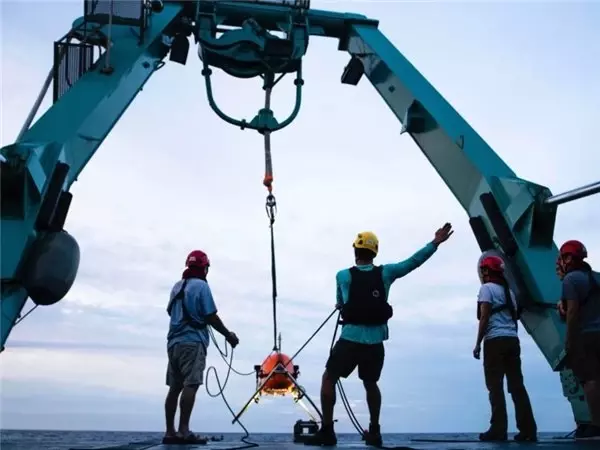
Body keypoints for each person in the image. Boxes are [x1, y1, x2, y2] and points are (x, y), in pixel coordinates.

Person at [305, 223, 454, 447]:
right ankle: (374, 431)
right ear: (374, 252)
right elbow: (412, 263)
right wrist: (434, 243)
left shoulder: (342, 275)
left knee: (329, 378)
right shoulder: (386, 273)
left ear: (355, 251)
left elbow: (340, 303)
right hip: (375, 342)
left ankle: (327, 431)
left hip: (350, 339)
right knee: (370, 383)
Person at [162, 250, 240, 445]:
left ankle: (170, 432)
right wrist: (229, 335)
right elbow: (211, 316)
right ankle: (184, 430)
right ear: (204, 268)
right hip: (192, 342)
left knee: (174, 387)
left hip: (173, 344)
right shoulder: (201, 286)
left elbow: (170, 311)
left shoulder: (176, 286)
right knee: (191, 384)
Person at [472, 255, 537, 442]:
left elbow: (484, 318)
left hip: (494, 341)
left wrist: (478, 344)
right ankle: (528, 430)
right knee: (517, 386)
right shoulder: (509, 292)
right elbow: (514, 318)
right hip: (512, 341)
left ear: (486, 271)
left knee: (495, 386)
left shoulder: (486, 289)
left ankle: (498, 429)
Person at [556, 240, 600, 440]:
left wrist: (569, 340)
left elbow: (572, 312)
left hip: (586, 336)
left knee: (589, 380)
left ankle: (596, 425)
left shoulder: (570, 280)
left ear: (568, 258)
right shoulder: (595, 278)